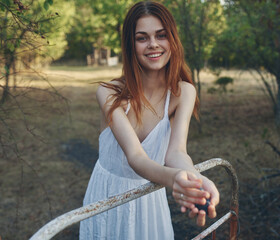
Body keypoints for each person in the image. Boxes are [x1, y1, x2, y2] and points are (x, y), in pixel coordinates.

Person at [79, 1, 219, 239]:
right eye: (142, 38)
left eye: (161, 35)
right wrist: (173, 179)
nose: (153, 44)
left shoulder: (183, 92)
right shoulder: (109, 93)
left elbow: (176, 153)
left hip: (149, 200)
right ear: (130, 45)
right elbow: (135, 157)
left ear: (172, 39)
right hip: (107, 197)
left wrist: (195, 182)